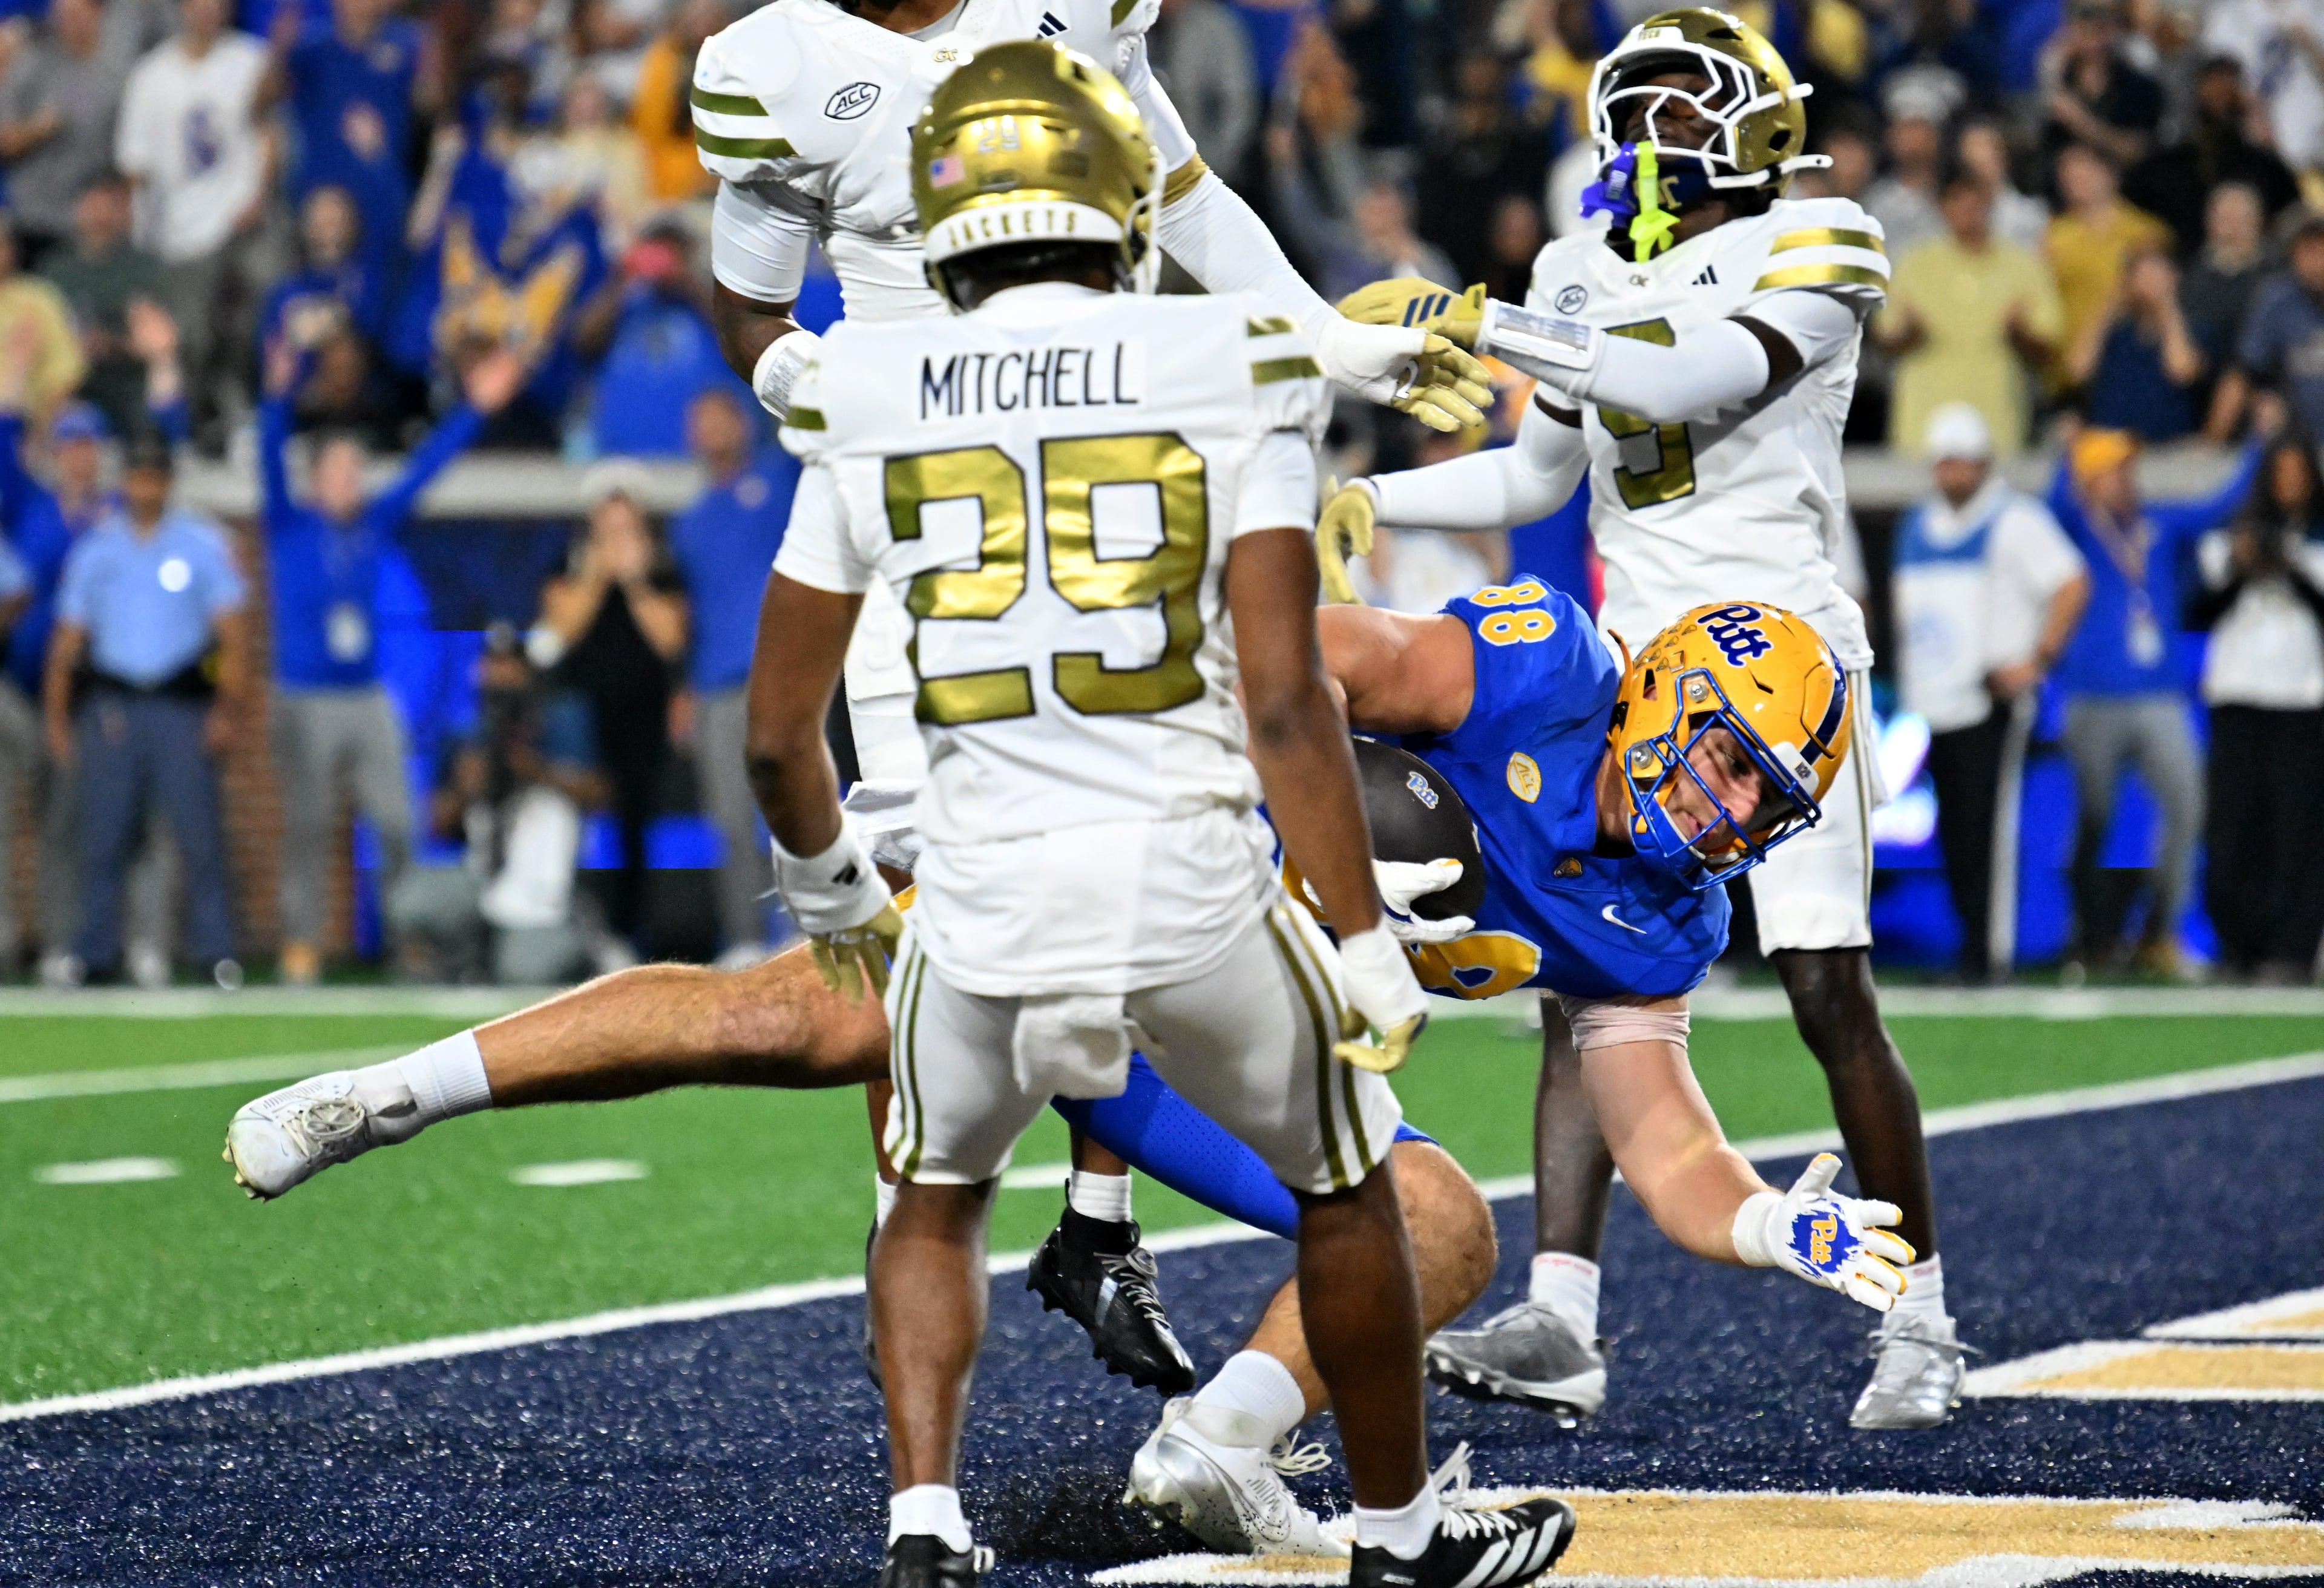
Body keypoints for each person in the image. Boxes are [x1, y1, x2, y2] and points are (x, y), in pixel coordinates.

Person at [1322, 5, 1968, 1429]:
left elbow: (1681, 378)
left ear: (1759, 121)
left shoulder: (1821, 236)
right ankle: (1564, 1314)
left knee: (1824, 984)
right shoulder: (1579, 265)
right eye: (1637, 108)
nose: (1653, 133)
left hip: (1779, 667)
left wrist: (1483, 319)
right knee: (1584, 962)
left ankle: (1918, 1308)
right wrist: (1366, 496)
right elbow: (1531, 477)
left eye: (1684, 104)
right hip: (1631, 656)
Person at [259, 339, 528, 985]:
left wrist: (474, 409)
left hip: (364, 693)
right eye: (337, 472)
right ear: (316, 481)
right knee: (309, 823)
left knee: (399, 818)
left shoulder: (372, 525)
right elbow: (269, 452)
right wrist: (277, 392)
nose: (348, 482)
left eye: (354, 472)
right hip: (303, 694)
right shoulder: (288, 525)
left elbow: (423, 470)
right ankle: (302, 946)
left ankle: (407, 939)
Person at [2049, 425, 2261, 977]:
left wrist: (2260, 445)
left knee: (2189, 805)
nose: (2126, 479)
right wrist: (2066, 457)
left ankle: (2161, 933)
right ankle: (2086, 938)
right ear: (2091, 480)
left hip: (2161, 696)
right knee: (2094, 819)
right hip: (2092, 696)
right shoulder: (2077, 531)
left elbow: (2220, 507)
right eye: (2113, 470)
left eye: (2127, 468)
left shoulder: (2159, 526)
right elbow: (2057, 505)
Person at [42, 428, 249, 986]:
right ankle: (94, 952)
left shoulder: (200, 544)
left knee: (198, 835)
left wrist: (227, 709)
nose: (145, 486)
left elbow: (232, 632)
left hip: (181, 707)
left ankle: (215, 953)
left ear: (168, 482)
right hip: (113, 709)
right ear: (125, 481)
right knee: (103, 835)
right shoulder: (98, 548)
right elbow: (68, 641)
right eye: (137, 476)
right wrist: (57, 718)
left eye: (155, 476)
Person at [1891, 404, 2089, 981]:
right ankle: (1968, 946)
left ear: (1983, 465)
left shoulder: (2015, 519)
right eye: (1944, 463)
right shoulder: (1917, 525)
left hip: (1992, 699)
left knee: (1990, 832)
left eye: (1964, 462)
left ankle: (1990, 953)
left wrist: (2038, 659)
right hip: (1936, 704)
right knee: (1954, 832)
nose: (1953, 474)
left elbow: (2071, 582)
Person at [389, 623, 609, 984]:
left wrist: (536, 770)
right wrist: (464, 790)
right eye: (493, 664)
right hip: (481, 870)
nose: (501, 677)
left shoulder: (560, 719)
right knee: (410, 903)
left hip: (545, 883)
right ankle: (466, 961)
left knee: (521, 973)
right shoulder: (468, 730)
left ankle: (585, 946)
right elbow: (433, 823)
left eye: (510, 665)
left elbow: (602, 794)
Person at [2188, 430, 2324, 982]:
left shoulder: (2316, 543)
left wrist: (2293, 570)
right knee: (2233, 830)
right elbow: (2198, 614)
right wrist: (2242, 570)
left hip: (2303, 701)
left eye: (2299, 474)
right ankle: (2237, 945)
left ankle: (2291, 950)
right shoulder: (2228, 540)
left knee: (2298, 833)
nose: (2290, 485)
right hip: (2238, 698)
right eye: (2281, 474)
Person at [665, 386, 793, 965]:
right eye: (699, 421)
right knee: (730, 821)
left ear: (743, 424)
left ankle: (804, 936)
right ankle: (745, 941)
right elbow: (694, 617)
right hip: (716, 687)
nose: (709, 430)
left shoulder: (778, 484)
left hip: (784, 677)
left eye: (719, 418)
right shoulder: (690, 522)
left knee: (796, 810)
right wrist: (685, 689)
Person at [533, 467, 686, 950]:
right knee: (570, 813)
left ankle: (628, 931)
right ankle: (565, 927)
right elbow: (560, 631)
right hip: (580, 712)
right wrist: (598, 575)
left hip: (643, 712)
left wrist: (636, 582)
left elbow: (671, 640)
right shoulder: (569, 561)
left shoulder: (662, 567)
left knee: (636, 820)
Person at [114, 0, 275, 433]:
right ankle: (200, 424)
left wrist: (259, 194)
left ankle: (256, 407)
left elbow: (270, 131)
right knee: (190, 337)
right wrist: (143, 242)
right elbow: (135, 166)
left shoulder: (251, 59)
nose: (206, 10)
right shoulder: (151, 75)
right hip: (181, 230)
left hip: (244, 216)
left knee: (269, 292)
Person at [1879, 163, 2064, 456]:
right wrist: (1911, 333)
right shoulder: (1914, 264)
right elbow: (1886, 339)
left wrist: (2018, 334)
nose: (1966, 211)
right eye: (1955, 201)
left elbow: (2048, 350)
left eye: (1974, 201)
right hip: (1923, 428)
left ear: (1989, 202)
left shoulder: (2024, 266)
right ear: (1941, 208)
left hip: (1997, 425)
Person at [571, 221, 742, 458]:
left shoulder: (705, 309)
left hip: (697, 461)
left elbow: (739, 337)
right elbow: (581, 340)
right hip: (620, 459)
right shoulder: (627, 308)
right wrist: (622, 277)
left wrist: (688, 282)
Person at [0, 0, 133, 266]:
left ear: (97, 14)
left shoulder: (117, 77)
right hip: (29, 217)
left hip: (85, 224)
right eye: (62, 14)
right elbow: (5, 140)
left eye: (75, 14)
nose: (67, 22)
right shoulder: (32, 65)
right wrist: (37, 130)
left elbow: (125, 156)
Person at [2122, 55, 2299, 253]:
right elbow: (2129, 209)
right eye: (2213, 89)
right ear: (2196, 96)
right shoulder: (2164, 167)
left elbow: (2292, 217)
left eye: (2229, 90)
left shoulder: (2266, 167)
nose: (2221, 96)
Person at [39, 172, 168, 436]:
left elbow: (160, 338)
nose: (99, 213)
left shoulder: (143, 267)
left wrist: (114, 343)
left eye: (109, 204)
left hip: (129, 378)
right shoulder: (55, 268)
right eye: (92, 204)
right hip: (69, 378)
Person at [2045, 142, 2171, 378]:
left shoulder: (2145, 234)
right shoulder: (2051, 237)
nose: (2076, 180)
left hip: (2128, 363)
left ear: (2111, 174)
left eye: (2085, 172)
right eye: (2069, 175)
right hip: (2065, 368)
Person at [2069, 247, 2205, 441]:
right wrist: (2109, 309)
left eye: (2156, 275)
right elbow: (2077, 371)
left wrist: (2166, 306)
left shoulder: (2195, 329)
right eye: (2140, 275)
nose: (2148, 283)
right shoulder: (2116, 334)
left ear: (2174, 277)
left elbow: (2182, 371)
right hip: (2109, 442)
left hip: (2166, 445)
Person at [2216, 212, 2324, 445]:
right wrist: (2211, 443)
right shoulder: (2277, 299)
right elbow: (2243, 373)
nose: (2318, 261)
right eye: (2308, 251)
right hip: (2295, 449)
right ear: (2293, 255)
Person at [0, 220, 88, 426]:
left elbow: (68, 370)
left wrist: (40, 429)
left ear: (10, 250)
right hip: (9, 409)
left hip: (30, 420)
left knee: (79, 420)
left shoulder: (39, 298)